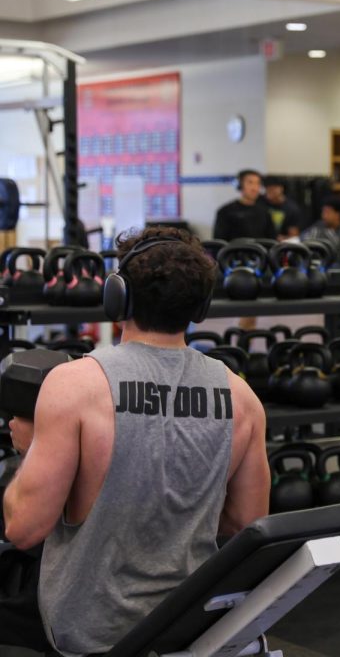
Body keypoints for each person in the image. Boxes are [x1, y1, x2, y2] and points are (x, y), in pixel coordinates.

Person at [2, 225, 270, 655]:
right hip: (192, 627)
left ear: (118, 296)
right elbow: (245, 525)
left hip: (93, 635)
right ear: (199, 306)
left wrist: (33, 450)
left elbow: (25, 528)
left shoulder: (73, 386)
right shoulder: (241, 398)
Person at [212, 169, 276, 242]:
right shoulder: (225, 211)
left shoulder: (265, 211)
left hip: (260, 252)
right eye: (250, 183)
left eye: (258, 183)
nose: (255, 188)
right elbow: (218, 243)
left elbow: (272, 240)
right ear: (240, 185)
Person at [301, 196, 340, 265]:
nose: (323, 216)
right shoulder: (318, 226)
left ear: (338, 215)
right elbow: (303, 237)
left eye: (327, 212)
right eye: (323, 212)